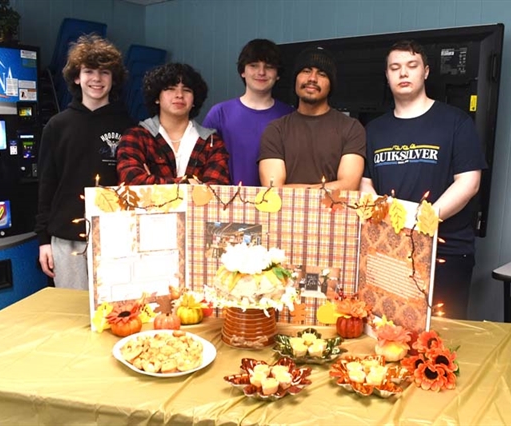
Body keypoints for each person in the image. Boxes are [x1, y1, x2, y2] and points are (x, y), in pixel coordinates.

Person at [360, 40, 487, 319]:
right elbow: (366, 184)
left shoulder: (456, 122)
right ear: (387, 76)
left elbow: (469, 182)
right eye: (395, 68)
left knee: (440, 341)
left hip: (446, 251)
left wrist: (423, 220)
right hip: (389, 250)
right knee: (389, 331)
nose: (403, 73)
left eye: (411, 66)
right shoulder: (373, 130)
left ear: (426, 72)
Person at [35, 34, 134, 290]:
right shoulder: (57, 126)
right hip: (66, 239)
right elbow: (46, 185)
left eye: (104, 72)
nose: (97, 79)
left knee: (116, 312)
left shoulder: (129, 127)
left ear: (114, 79)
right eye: (89, 71)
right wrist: (44, 240)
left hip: (116, 236)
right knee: (70, 316)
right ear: (77, 77)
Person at [258, 46, 365, 191]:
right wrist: (327, 189)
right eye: (306, 71)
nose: (312, 79)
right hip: (285, 214)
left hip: (335, 213)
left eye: (322, 74)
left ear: (331, 85)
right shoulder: (276, 130)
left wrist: (293, 191)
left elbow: (348, 187)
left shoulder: (351, 128)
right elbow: (273, 190)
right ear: (295, 79)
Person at [117, 63, 230, 185]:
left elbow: (216, 189)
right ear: (156, 97)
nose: (179, 95)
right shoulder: (136, 136)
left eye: (186, 90)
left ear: (194, 100)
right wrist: (187, 184)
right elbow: (132, 181)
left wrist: (152, 182)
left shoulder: (212, 142)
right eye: (170, 89)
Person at [202, 39, 293, 186]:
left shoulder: (290, 115)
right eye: (253, 65)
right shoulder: (219, 114)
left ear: (278, 74)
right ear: (243, 71)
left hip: (277, 201)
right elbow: (204, 162)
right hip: (227, 202)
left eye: (269, 67)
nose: (261, 72)